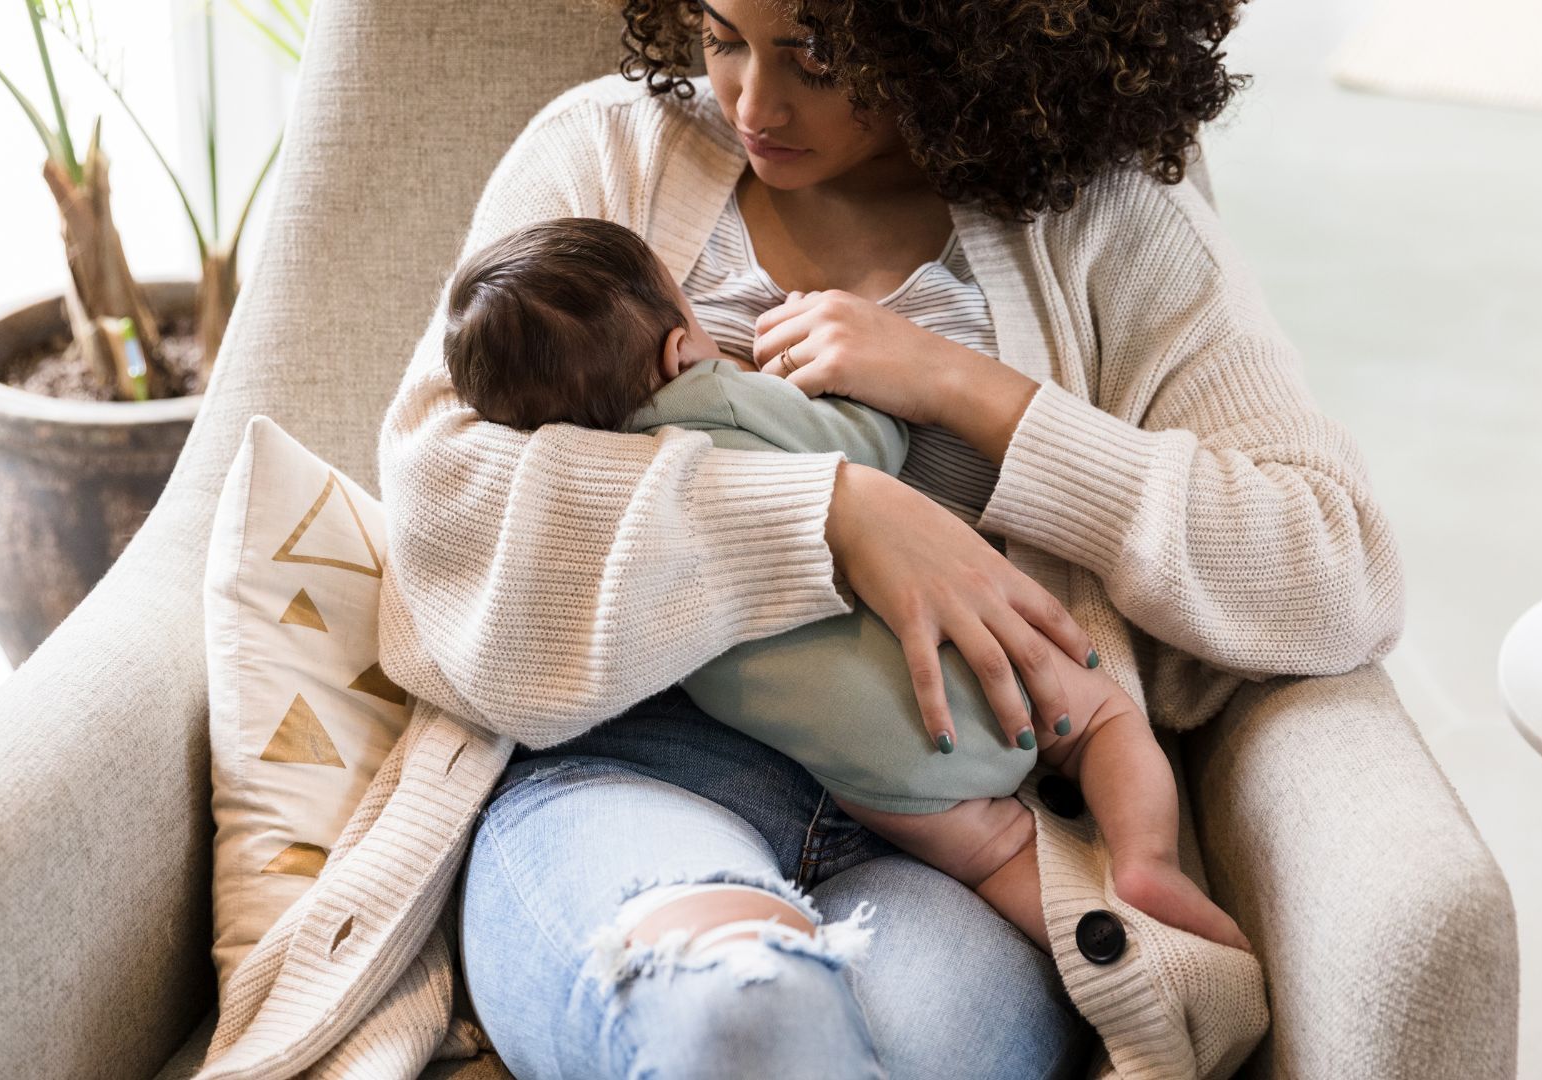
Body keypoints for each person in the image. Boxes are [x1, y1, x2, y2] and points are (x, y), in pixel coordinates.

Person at [374, 0, 1403, 1075]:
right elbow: (441, 498)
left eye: (817, 56)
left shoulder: (1108, 231)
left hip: (961, 831)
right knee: (739, 1018)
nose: (754, 103)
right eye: (724, 37)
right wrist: (832, 516)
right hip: (633, 771)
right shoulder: (610, 152)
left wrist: (972, 393)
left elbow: (1336, 568)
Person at [436, 213, 1252, 956]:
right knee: (1103, 718)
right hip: (976, 678)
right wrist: (880, 401)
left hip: (865, 768)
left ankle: (1090, 932)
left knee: (994, 851)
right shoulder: (717, 393)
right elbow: (867, 445)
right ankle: (1146, 866)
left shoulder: (608, 503)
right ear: (678, 350)